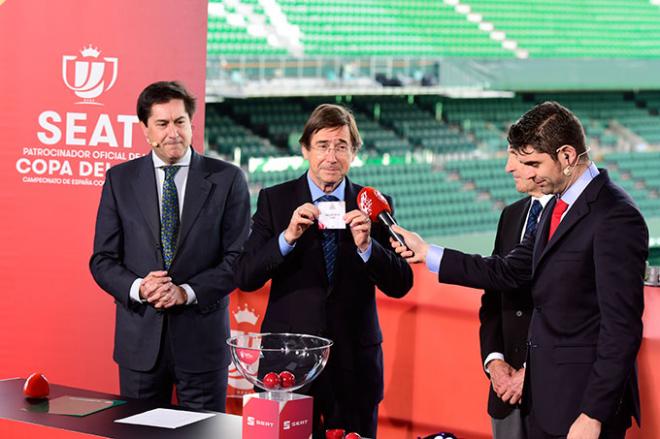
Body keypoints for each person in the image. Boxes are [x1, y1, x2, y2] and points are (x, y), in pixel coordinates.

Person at [391, 102, 648, 439]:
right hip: (544, 405)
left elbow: (621, 329)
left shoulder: (615, 216)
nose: (524, 173)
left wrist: (593, 414)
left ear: (568, 156)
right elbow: (507, 271)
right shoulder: (556, 204)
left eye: (533, 163)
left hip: (582, 414)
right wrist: (427, 252)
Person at [234, 104, 413, 438]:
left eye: (341, 146)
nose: (332, 156)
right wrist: (286, 238)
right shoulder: (276, 200)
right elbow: (245, 275)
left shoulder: (372, 202)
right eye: (323, 145)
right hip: (288, 363)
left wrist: (366, 247)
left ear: (354, 152)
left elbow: (402, 283)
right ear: (305, 149)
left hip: (355, 365)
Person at [90, 81, 250, 412]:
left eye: (180, 122)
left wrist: (186, 292)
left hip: (202, 343)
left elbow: (237, 259)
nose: (173, 132)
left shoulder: (227, 179)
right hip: (139, 344)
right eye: (162, 124)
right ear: (145, 129)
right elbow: (102, 260)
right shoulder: (120, 180)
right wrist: (140, 288)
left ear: (192, 124)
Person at [480, 147, 553, 438]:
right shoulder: (511, 215)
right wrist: (494, 362)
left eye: (518, 157)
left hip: (554, 395)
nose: (508, 167)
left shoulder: (576, 218)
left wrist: (531, 374)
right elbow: (492, 298)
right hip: (504, 396)